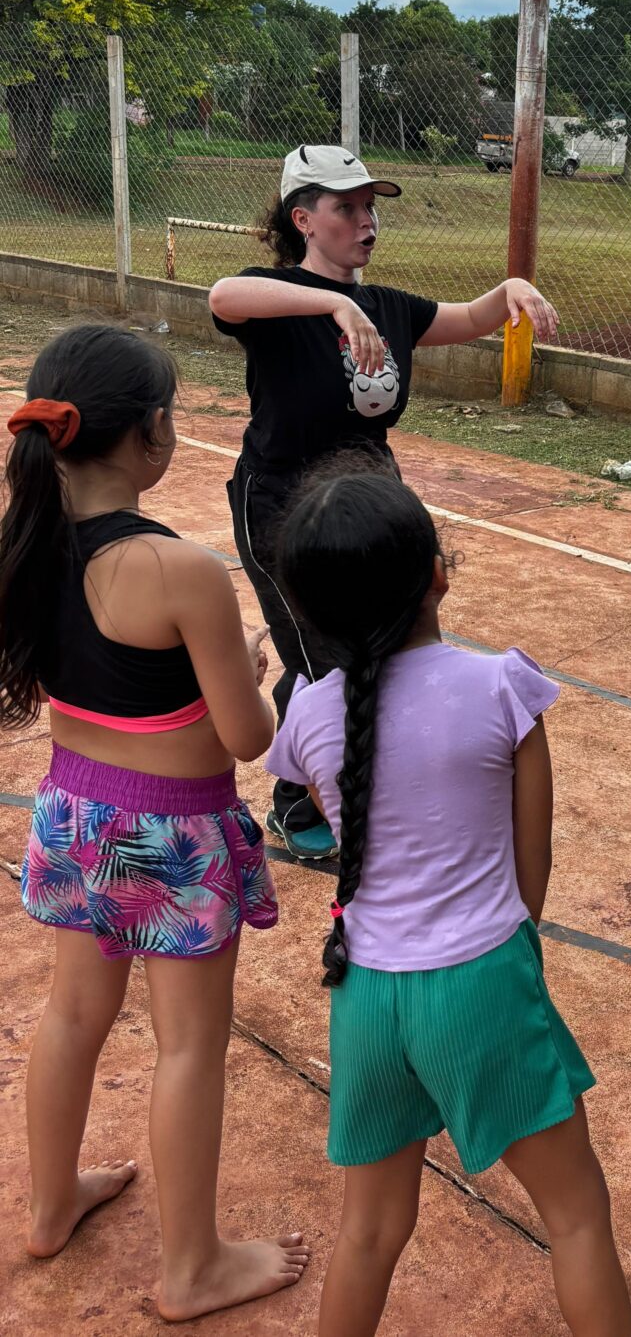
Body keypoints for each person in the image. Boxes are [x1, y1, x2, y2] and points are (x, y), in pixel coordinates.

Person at [266, 461, 631, 1337]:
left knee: (369, 1231)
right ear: (437, 570)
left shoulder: (312, 716)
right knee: (577, 1213)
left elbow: (352, 821)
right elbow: (529, 874)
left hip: (364, 993)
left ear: (308, 613)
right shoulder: (502, 685)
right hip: (477, 979)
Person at [7, 325, 309, 1321]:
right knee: (186, 1046)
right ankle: (192, 1266)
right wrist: (256, 674)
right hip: (173, 836)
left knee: (71, 1017)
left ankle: (50, 1205)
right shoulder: (181, 571)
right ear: (150, 436)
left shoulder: (27, 541)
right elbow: (247, 736)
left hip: (73, 816)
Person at [208, 143, 559, 863]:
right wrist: (334, 300)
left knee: (393, 638)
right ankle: (298, 799)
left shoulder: (389, 308)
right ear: (304, 218)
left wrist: (514, 286)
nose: (366, 221)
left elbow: (466, 316)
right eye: (347, 207)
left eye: (371, 207)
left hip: (370, 498)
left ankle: (368, 775)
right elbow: (223, 296)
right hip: (281, 502)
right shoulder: (279, 299)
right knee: (321, 656)